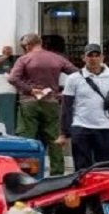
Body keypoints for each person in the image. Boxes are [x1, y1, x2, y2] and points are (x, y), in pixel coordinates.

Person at [8, 32, 78, 176]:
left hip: (28, 103)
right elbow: (76, 74)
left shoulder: (24, 59)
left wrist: (30, 89)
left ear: (28, 45)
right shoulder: (57, 58)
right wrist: (63, 92)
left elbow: (12, 78)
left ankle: (28, 173)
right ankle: (57, 173)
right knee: (54, 138)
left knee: (28, 138)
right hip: (51, 102)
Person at [56, 43, 109, 170]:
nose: (94, 59)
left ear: (102, 57)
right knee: (82, 169)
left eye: (97, 55)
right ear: (84, 58)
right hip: (81, 127)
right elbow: (66, 106)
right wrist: (63, 133)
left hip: (106, 127)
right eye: (90, 55)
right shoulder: (74, 78)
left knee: (107, 168)